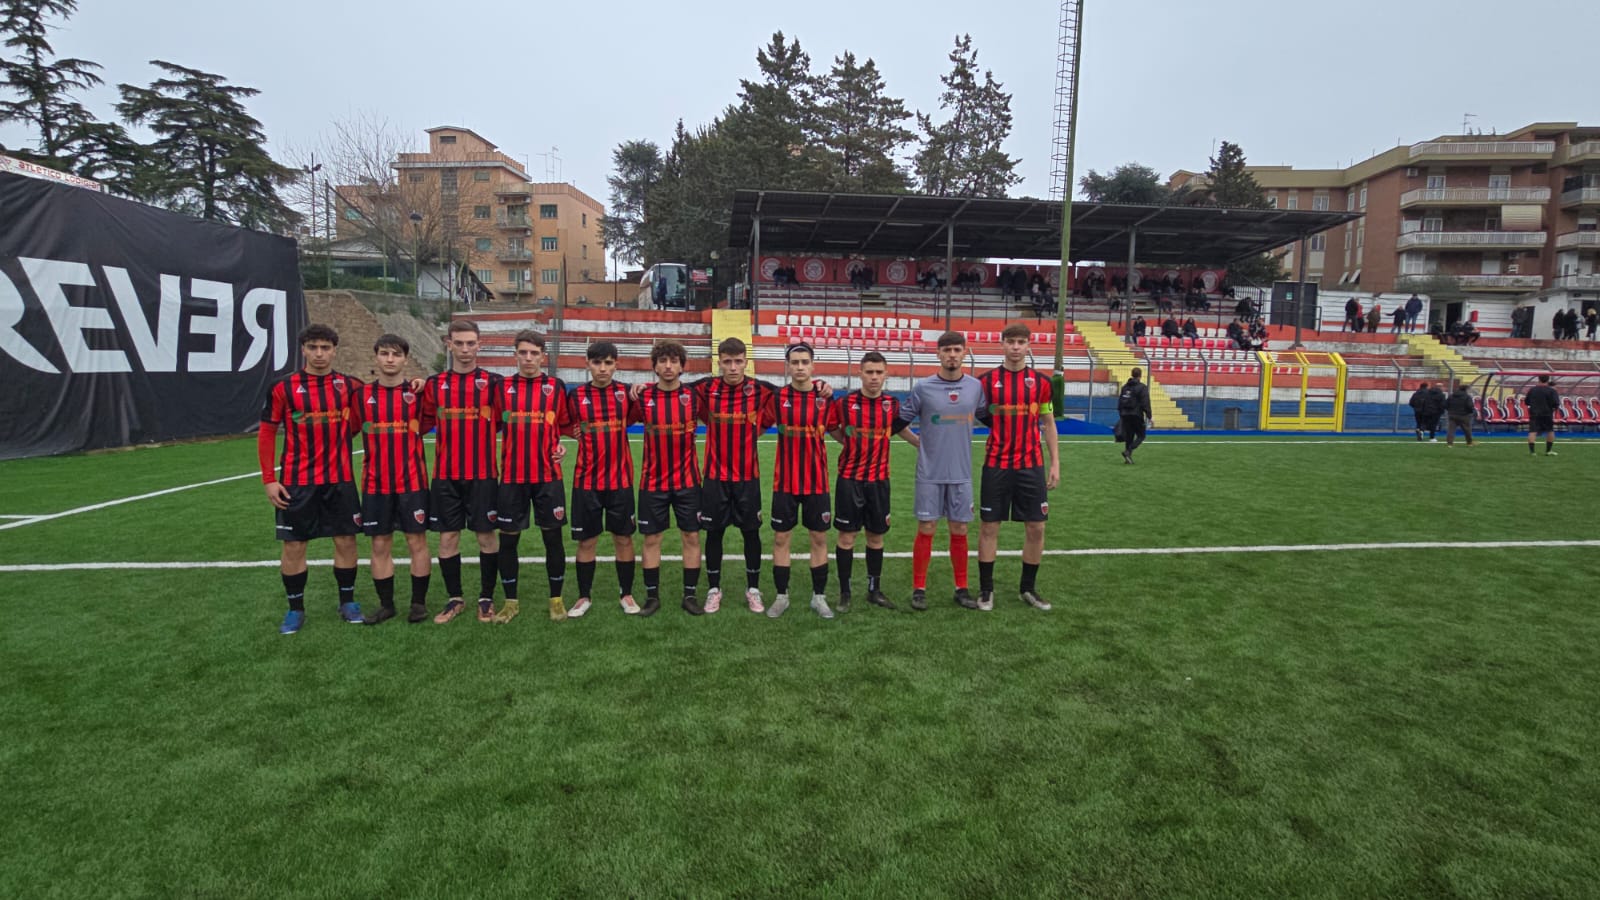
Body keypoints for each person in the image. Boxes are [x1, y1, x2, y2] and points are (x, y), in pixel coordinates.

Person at [259, 324, 363, 634]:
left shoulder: (351, 386)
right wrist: (269, 479)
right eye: (313, 347)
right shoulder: (283, 387)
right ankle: (295, 609)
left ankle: (347, 602)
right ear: (303, 349)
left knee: (346, 540)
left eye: (325, 348)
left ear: (334, 350)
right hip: (297, 481)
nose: (319, 353)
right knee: (294, 546)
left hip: (340, 479)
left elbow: (360, 421)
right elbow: (266, 432)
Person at [420, 320, 504, 624]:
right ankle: (455, 598)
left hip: (482, 475)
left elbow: (512, 422)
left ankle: (486, 597)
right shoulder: (433, 385)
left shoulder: (494, 384)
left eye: (471, 343)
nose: (465, 349)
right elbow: (420, 424)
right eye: (460, 343)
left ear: (480, 345)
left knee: (486, 535)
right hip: (445, 476)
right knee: (447, 537)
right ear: (449, 344)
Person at [348, 334, 432, 625]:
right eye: (384, 353)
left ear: (405, 359)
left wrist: (424, 383)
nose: (390, 359)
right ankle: (386, 605)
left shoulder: (419, 395)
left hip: (413, 483)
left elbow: (437, 416)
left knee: (416, 542)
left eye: (396, 354)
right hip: (375, 485)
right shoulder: (360, 397)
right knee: (379, 545)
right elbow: (346, 432)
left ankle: (418, 604)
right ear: (376, 357)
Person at [976, 325, 1061, 611]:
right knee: (989, 526)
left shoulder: (1042, 383)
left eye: (1021, 342)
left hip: (1031, 464)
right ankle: (986, 591)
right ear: (1001, 344)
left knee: (1036, 527)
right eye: (1010, 342)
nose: (1015, 347)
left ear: (1029, 345)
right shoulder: (985, 382)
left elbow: (1048, 423)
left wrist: (1055, 463)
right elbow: (976, 415)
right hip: (996, 464)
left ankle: (1028, 588)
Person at [900, 331, 985, 611]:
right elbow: (899, 421)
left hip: (961, 473)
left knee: (959, 529)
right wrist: (918, 442)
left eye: (956, 350)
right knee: (927, 528)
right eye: (947, 350)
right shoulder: (923, 387)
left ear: (964, 352)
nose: (952, 355)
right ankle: (919, 588)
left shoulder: (975, 387)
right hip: (930, 473)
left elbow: (991, 419)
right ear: (938, 354)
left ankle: (961, 588)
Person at [827, 352, 918, 612]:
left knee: (876, 537)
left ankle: (873, 590)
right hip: (850, 480)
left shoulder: (892, 404)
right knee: (847, 537)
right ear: (860, 373)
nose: (874, 377)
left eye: (879, 372)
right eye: (869, 372)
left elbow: (900, 428)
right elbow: (833, 427)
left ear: (886, 374)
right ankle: (845, 592)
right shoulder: (845, 404)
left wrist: (921, 445)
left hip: (879, 481)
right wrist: (849, 443)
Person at [492, 330, 572, 623]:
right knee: (509, 541)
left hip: (548, 477)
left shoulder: (556, 386)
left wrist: (562, 443)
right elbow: (491, 425)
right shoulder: (501, 388)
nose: (528, 358)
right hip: (512, 478)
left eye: (534, 353)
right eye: (523, 352)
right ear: (515, 354)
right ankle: (510, 603)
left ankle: (556, 600)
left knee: (553, 539)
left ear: (543, 356)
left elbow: (564, 425)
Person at [695, 337, 778, 614]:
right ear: (720, 362)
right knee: (714, 533)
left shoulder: (761, 389)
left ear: (746, 362)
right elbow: (669, 388)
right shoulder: (706, 388)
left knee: (751, 533)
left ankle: (753, 589)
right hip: (715, 478)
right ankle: (713, 589)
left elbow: (793, 393)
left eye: (738, 361)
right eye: (727, 362)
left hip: (747, 478)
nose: (733, 367)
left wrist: (822, 387)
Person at [631, 340, 706, 616]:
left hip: (688, 482)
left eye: (674, 361)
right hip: (652, 483)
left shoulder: (696, 397)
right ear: (654, 366)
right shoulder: (642, 398)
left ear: (682, 366)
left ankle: (690, 595)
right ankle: (652, 597)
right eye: (662, 361)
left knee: (691, 536)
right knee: (652, 539)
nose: (668, 366)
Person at [565, 341, 638, 617]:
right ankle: (584, 597)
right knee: (587, 541)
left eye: (608, 363)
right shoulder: (575, 396)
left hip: (620, 482)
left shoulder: (625, 393)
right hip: (587, 482)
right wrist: (571, 435)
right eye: (597, 363)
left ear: (616, 364)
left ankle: (627, 594)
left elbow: (638, 415)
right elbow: (562, 423)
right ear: (588, 364)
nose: (603, 368)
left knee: (624, 539)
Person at [767, 343, 835, 619]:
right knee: (781, 538)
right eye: (794, 362)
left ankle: (819, 597)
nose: (799, 367)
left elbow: (839, 431)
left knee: (818, 538)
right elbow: (754, 426)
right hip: (784, 482)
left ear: (813, 365)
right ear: (787, 366)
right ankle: (781, 596)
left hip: (817, 482)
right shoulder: (777, 397)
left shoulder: (826, 398)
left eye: (804, 362)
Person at [1116, 367, 1152, 464]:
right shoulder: (1142, 387)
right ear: (1140, 375)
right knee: (1141, 435)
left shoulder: (1125, 387)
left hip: (1125, 414)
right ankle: (1128, 451)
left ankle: (1128, 458)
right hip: (1136, 415)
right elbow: (1145, 403)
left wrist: (1121, 414)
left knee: (1129, 436)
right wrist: (1149, 416)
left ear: (1132, 374)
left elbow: (1120, 402)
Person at [1525, 374, 1560, 457]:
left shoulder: (1532, 390)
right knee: (1550, 431)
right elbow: (1556, 403)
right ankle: (1548, 451)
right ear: (1548, 380)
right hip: (1547, 413)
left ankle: (1532, 452)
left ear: (1538, 379)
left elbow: (1527, 402)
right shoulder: (1551, 391)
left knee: (1532, 431)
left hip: (1534, 413)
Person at [1444, 382, 1476, 448]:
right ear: (1466, 389)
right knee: (1467, 430)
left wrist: (1450, 411)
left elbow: (1446, 405)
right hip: (1464, 415)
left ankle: (1450, 444)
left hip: (1452, 415)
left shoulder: (1451, 396)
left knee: (1451, 430)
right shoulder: (1467, 397)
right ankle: (1469, 443)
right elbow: (1469, 406)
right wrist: (1470, 412)